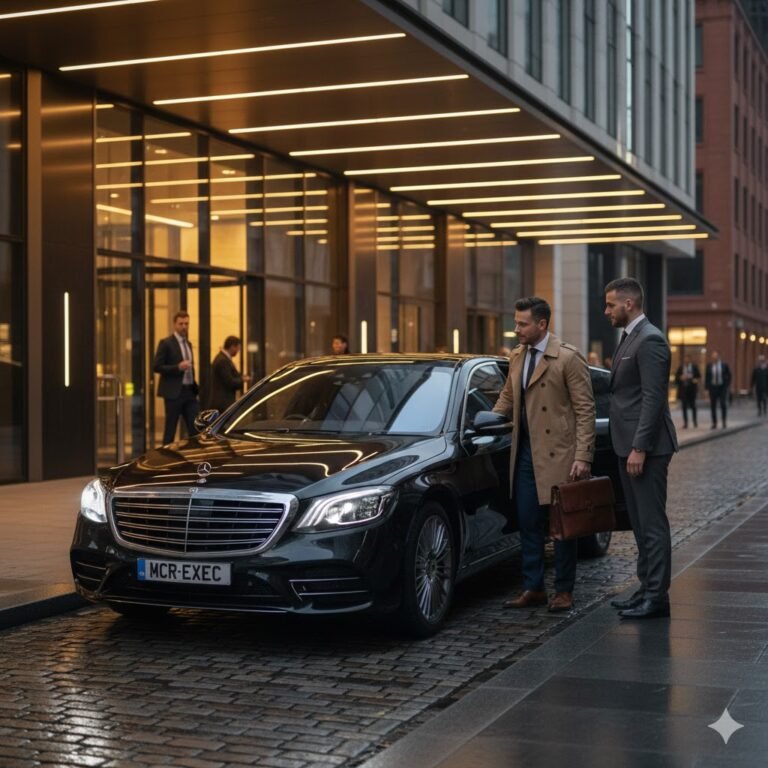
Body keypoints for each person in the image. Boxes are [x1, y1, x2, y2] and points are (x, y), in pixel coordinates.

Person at [493, 297, 595, 613]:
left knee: (562, 527)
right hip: (525, 453)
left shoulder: (567, 358)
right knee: (528, 523)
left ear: (542, 324)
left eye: (522, 323)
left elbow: (585, 410)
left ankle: (563, 590)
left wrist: (583, 456)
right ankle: (533, 587)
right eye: (516, 322)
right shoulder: (517, 357)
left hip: (560, 455)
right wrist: (484, 421)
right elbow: (506, 400)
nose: (516, 329)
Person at [604, 278, 677, 619]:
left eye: (610, 305)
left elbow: (652, 398)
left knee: (651, 524)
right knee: (638, 523)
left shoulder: (650, 340)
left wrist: (640, 448)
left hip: (645, 449)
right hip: (627, 446)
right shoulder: (630, 337)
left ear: (628, 304)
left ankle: (656, 598)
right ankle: (646, 589)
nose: (606, 311)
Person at [153, 310, 200, 445]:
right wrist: (177, 367)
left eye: (187, 323)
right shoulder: (166, 343)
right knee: (170, 429)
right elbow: (157, 366)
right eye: (181, 324)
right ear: (175, 324)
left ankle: (194, 456)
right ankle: (165, 459)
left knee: (195, 427)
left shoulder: (188, 344)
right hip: (173, 393)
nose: (184, 326)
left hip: (189, 392)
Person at [208, 336, 249, 413]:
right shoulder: (223, 361)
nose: (237, 352)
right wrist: (242, 380)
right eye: (238, 349)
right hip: (223, 403)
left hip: (223, 402)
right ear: (232, 346)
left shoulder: (223, 358)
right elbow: (229, 381)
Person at [704, 351, 731, 429]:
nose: (714, 359)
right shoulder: (709, 366)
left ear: (719, 357)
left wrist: (727, 385)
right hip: (713, 388)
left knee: (723, 404)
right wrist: (706, 389)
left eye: (715, 357)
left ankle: (724, 421)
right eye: (713, 357)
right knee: (713, 406)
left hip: (722, 387)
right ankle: (714, 423)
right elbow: (707, 378)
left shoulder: (724, 365)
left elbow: (729, 375)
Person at [674, 354, 701, 429]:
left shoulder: (694, 367)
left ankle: (695, 422)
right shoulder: (681, 368)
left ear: (690, 360)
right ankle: (685, 423)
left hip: (692, 390)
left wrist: (693, 379)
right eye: (685, 359)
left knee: (693, 406)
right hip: (683, 390)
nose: (686, 361)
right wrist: (681, 378)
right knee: (684, 407)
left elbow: (698, 377)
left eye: (688, 359)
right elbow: (676, 379)